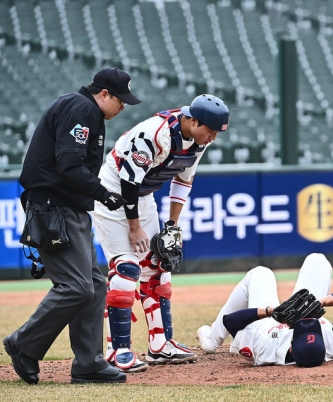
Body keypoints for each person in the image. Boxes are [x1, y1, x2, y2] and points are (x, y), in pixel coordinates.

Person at [4, 67, 141, 384]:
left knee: (94, 283)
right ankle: (22, 344)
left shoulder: (82, 108)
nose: (123, 107)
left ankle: (88, 364)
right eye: (120, 100)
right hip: (55, 209)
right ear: (103, 94)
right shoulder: (82, 108)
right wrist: (102, 194)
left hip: (66, 208)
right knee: (77, 287)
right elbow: (68, 164)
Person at [93, 94, 229, 372]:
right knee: (127, 269)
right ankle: (116, 350)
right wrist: (134, 227)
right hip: (112, 194)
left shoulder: (198, 139)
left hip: (143, 197)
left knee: (156, 267)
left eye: (216, 133)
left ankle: (160, 345)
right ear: (193, 120)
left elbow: (182, 181)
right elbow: (128, 182)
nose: (212, 138)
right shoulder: (154, 134)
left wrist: (172, 226)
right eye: (211, 131)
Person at [195, 253, 333, 367]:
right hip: (307, 311)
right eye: (313, 326)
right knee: (317, 260)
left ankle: (211, 340)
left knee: (261, 273)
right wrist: (324, 301)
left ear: (291, 348)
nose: (305, 323)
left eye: (300, 328)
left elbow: (231, 322)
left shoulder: (265, 349)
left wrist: (270, 311)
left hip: (267, 326)